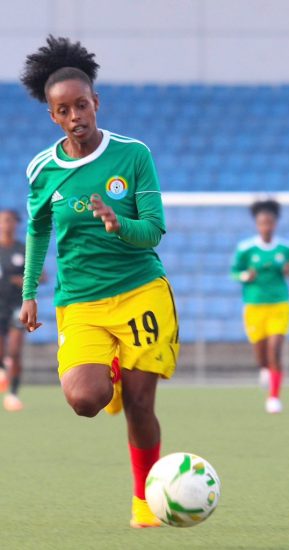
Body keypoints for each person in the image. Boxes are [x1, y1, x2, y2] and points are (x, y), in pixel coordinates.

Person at [19, 36, 179, 528]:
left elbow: (152, 229)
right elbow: (39, 227)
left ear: (96, 103)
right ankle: (106, 366)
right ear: (52, 115)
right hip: (81, 302)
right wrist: (29, 294)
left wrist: (118, 224)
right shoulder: (43, 171)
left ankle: (144, 502)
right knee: (85, 400)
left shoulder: (133, 156)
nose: (75, 117)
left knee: (138, 403)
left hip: (139, 292)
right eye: (63, 110)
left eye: (82, 105)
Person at [231, 199, 289, 414]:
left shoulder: (286, 248)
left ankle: (274, 397)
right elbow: (234, 272)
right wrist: (244, 276)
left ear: (275, 223)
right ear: (257, 224)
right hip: (254, 305)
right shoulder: (246, 249)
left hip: (279, 304)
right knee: (261, 355)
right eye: (262, 223)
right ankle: (264, 370)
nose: (266, 226)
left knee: (274, 350)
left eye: (269, 222)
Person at [0, 210, 26, 411]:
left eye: (10, 220)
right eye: (3, 221)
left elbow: (41, 276)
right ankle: (2, 371)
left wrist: (24, 280)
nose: (6, 224)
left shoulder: (22, 249)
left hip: (18, 306)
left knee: (15, 351)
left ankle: (14, 394)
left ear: (16, 224)